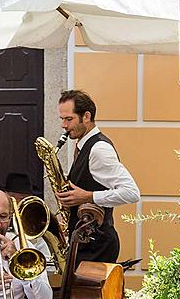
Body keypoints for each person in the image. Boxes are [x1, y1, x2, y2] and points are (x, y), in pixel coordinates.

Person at [56, 90, 140, 264]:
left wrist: (88, 196)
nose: (63, 125)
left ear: (86, 116)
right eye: (62, 119)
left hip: (96, 246)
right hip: (85, 242)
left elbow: (132, 192)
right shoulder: (82, 145)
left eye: (69, 119)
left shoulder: (99, 149)